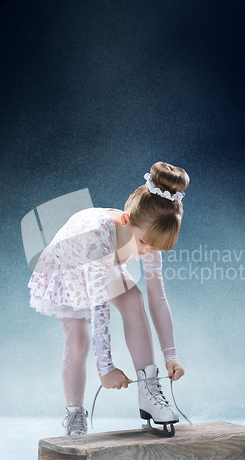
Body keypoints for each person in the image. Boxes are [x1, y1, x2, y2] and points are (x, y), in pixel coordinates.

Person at [28, 162, 189, 435]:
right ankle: (75, 414)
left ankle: (148, 389)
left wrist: (171, 355)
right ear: (126, 221)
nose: (147, 252)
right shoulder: (97, 235)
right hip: (68, 267)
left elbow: (157, 297)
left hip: (102, 266)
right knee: (78, 341)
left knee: (133, 300)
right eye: (142, 244)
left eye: (155, 247)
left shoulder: (147, 237)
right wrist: (106, 368)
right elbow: (98, 306)